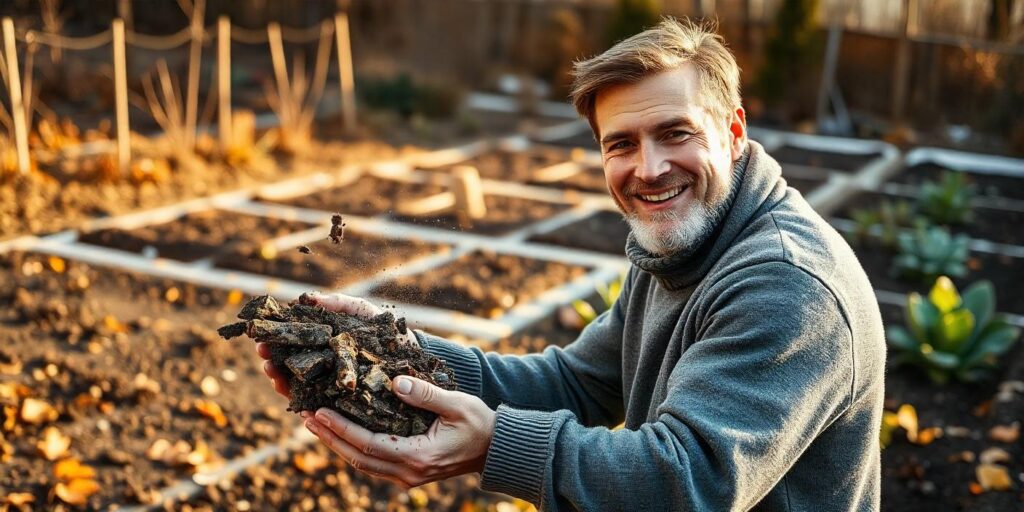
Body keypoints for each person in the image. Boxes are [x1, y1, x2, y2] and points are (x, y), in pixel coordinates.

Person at [259, 17, 885, 511]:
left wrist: (494, 446)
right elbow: (579, 383)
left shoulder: (787, 285)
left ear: (734, 131)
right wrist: (394, 354)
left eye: (676, 133)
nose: (649, 168)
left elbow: (687, 485)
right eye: (621, 144)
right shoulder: (682, 243)